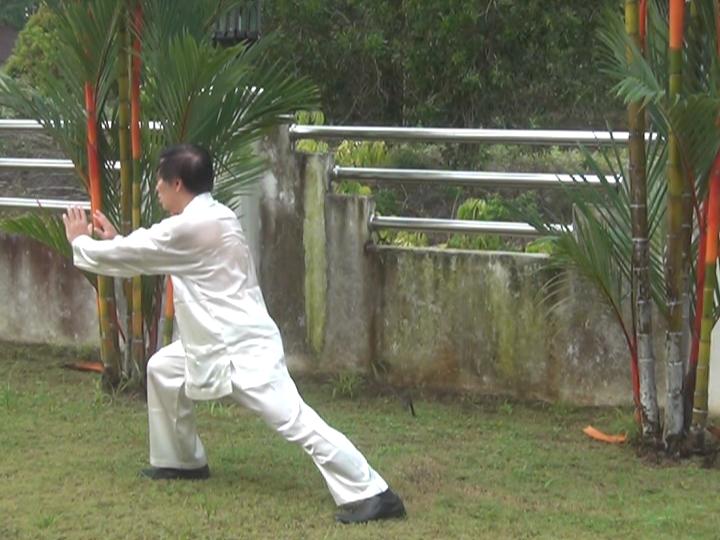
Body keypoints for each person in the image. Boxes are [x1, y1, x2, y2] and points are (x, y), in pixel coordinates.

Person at [62, 144, 406, 524]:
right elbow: (150, 250)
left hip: (240, 348)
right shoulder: (212, 215)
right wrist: (115, 242)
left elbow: (141, 253)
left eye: (161, 180)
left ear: (177, 183)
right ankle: (181, 461)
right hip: (214, 341)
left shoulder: (194, 226)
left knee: (295, 420)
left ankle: (373, 491)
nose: (157, 187)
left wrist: (81, 242)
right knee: (162, 369)